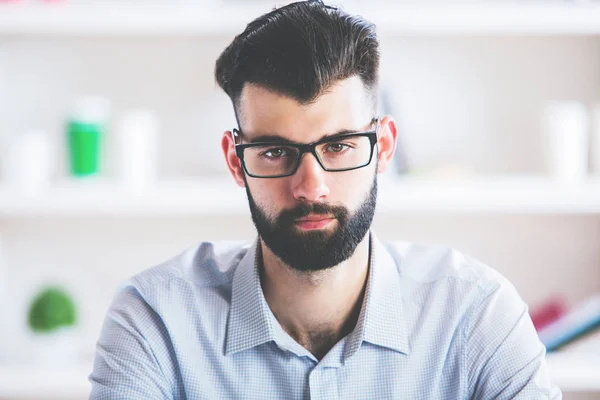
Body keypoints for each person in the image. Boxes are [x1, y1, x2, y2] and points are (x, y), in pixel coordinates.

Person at [89, 1, 562, 398]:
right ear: (236, 162)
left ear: (384, 148)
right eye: (275, 152)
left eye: (338, 147)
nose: (310, 187)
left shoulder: (478, 315)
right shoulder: (157, 321)